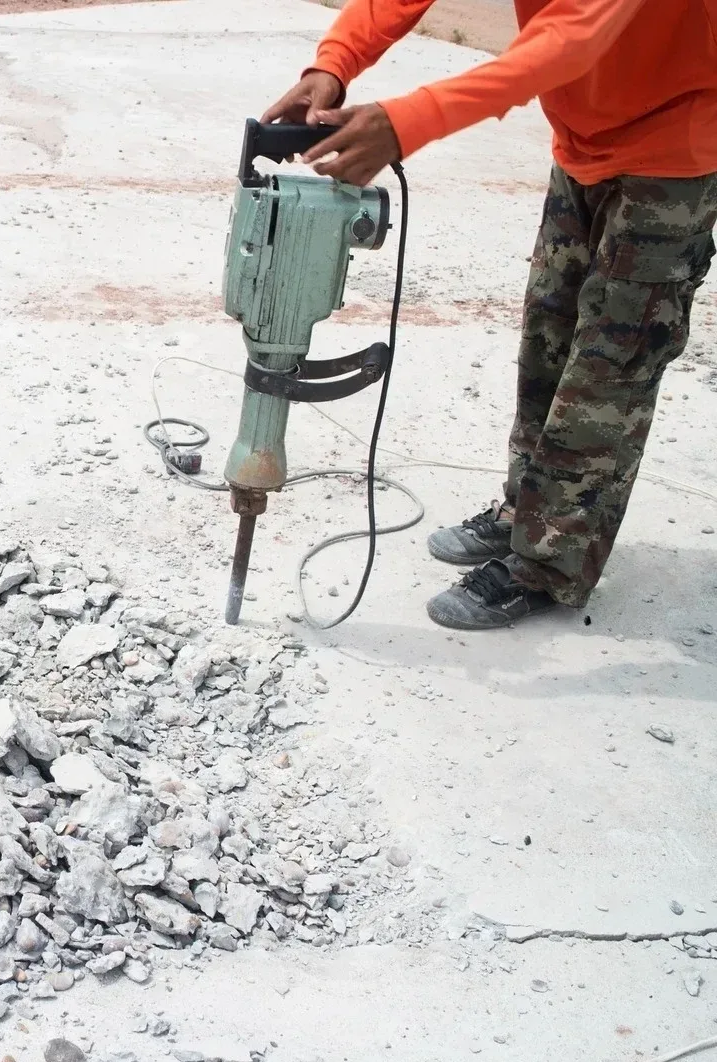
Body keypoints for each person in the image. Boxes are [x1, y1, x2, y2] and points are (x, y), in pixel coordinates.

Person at [263, 0, 717, 629]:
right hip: (582, 142)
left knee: (610, 367)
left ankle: (549, 564)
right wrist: (333, 64)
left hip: (673, 155)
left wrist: (408, 120)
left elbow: (569, 40)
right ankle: (527, 512)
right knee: (549, 336)